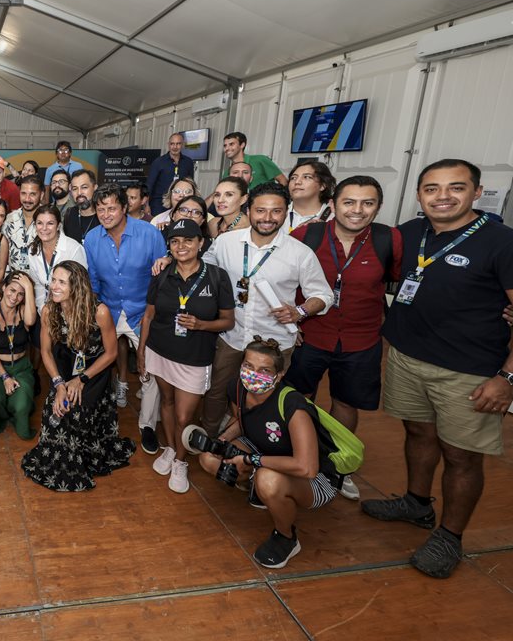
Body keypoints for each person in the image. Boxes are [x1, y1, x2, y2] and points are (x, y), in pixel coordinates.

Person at [362, 159, 513, 579]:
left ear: (477, 192)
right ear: (418, 194)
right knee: (418, 433)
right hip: (408, 358)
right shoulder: (410, 233)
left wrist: (509, 379)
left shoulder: (508, 244)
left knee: (461, 455)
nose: (443, 196)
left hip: (469, 371)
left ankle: (450, 536)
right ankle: (416, 503)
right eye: (432, 188)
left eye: (456, 187)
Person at [286, 176, 402, 501]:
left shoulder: (389, 239)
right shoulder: (306, 236)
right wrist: (291, 325)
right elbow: (283, 279)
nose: (357, 210)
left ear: (378, 207)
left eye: (368, 203)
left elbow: (404, 279)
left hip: (361, 340)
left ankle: (337, 466)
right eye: (349, 202)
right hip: (309, 335)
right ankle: (297, 458)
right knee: (297, 399)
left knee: (346, 403)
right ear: (333, 204)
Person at [200, 182, 333, 438]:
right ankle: (208, 438)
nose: (268, 218)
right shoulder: (225, 242)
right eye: (261, 210)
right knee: (217, 391)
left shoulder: (300, 253)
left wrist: (300, 311)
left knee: (263, 398)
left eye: (276, 211)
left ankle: (253, 443)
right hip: (231, 336)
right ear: (249, 210)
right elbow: (203, 268)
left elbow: (323, 295)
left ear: (286, 212)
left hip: (274, 341)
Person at [196, 338, 341, 569]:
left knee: (268, 479)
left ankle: (286, 537)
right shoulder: (237, 387)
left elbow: (307, 467)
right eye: (248, 366)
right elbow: (241, 420)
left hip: (315, 479)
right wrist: (222, 441)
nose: (253, 374)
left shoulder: (293, 405)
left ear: (279, 375)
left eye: (264, 370)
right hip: (263, 450)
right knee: (209, 459)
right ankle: (258, 490)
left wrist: (251, 460)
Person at [137, 219, 235, 493]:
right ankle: (170, 449)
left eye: (188, 240)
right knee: (166, 402)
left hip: (194, 356)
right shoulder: (162, 274)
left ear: (200, 243)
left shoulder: (216, 276)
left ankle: (181, 461)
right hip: (160, 349)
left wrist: (201, 325)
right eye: (175, 241)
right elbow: (149, 315)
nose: (181, 246)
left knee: (184, 416)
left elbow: (228, 321)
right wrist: (142, 351)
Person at [21, 262, 135, 491]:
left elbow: (111, 353)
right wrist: (58, 384)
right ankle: (59, 459)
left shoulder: (99, 312)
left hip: (94, 371)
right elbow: (46, 352)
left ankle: (81, 458)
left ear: (77, 286)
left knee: (75, 410)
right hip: (64, 367)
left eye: (61, 282)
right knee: (54, 410)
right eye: (54, 280)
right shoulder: (49, 310)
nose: (54, 286)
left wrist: (81, 380)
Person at [84, 184, 168, 448]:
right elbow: (93, 281)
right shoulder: (92, 239)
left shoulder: (149, 234)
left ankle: (147, 425)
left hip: (141, 313)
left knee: (150, 369)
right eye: (100, 209)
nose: (105, 214)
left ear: (124, 207)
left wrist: (151, 313)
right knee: (93, 362)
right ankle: (94, 418)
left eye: (111, 208)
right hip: (107, 310)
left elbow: (163, 278)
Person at [0, 271, 37, 439]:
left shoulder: (24, 310)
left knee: (22, 405)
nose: (15, 297)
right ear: (3, 287)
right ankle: (0, 418)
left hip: (21, 368)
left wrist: (29, 288)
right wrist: (5, 377)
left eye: (21, 294)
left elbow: (30, 321)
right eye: (12, 290)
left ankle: (15, 410)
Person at [26, 205, 87, 311]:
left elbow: (81, 288)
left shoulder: (74, 249)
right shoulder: (33, 250)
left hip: (73, 309)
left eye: (50, 223)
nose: (44, 228)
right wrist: (43, 310)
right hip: (46, 310)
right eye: (40, 223)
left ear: (58, 226)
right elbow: (38, 287)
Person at [147, 132, 196, 215]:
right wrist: (146, 205)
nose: (175, 147)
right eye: (172, 144)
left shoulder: (188, 162)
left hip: (181, 204)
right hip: (159, 205)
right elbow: (149, 185)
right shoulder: (158, 162)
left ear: (183, 145)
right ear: (168, 145)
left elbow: (191, 184)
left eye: (178, 144)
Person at [3, 175, 43, 273]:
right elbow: (3, 255)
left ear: (41, 195)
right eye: (23, 193)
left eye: (32, 194)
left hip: (39, 280)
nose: (27, 199)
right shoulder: (10, 219)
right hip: (13, 278)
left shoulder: (49, 221)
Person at [286, 161, 334, 230]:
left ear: (322, 186)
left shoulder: (333, 217)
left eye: (307, 177)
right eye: (293, 178)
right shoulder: (277, 213)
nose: (297, 182)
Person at [62, 169, 99, 239]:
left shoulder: (104, 216)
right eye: (75, 189)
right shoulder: (70, 214)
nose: (79, 193)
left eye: (84, 187)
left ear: (95, 187)